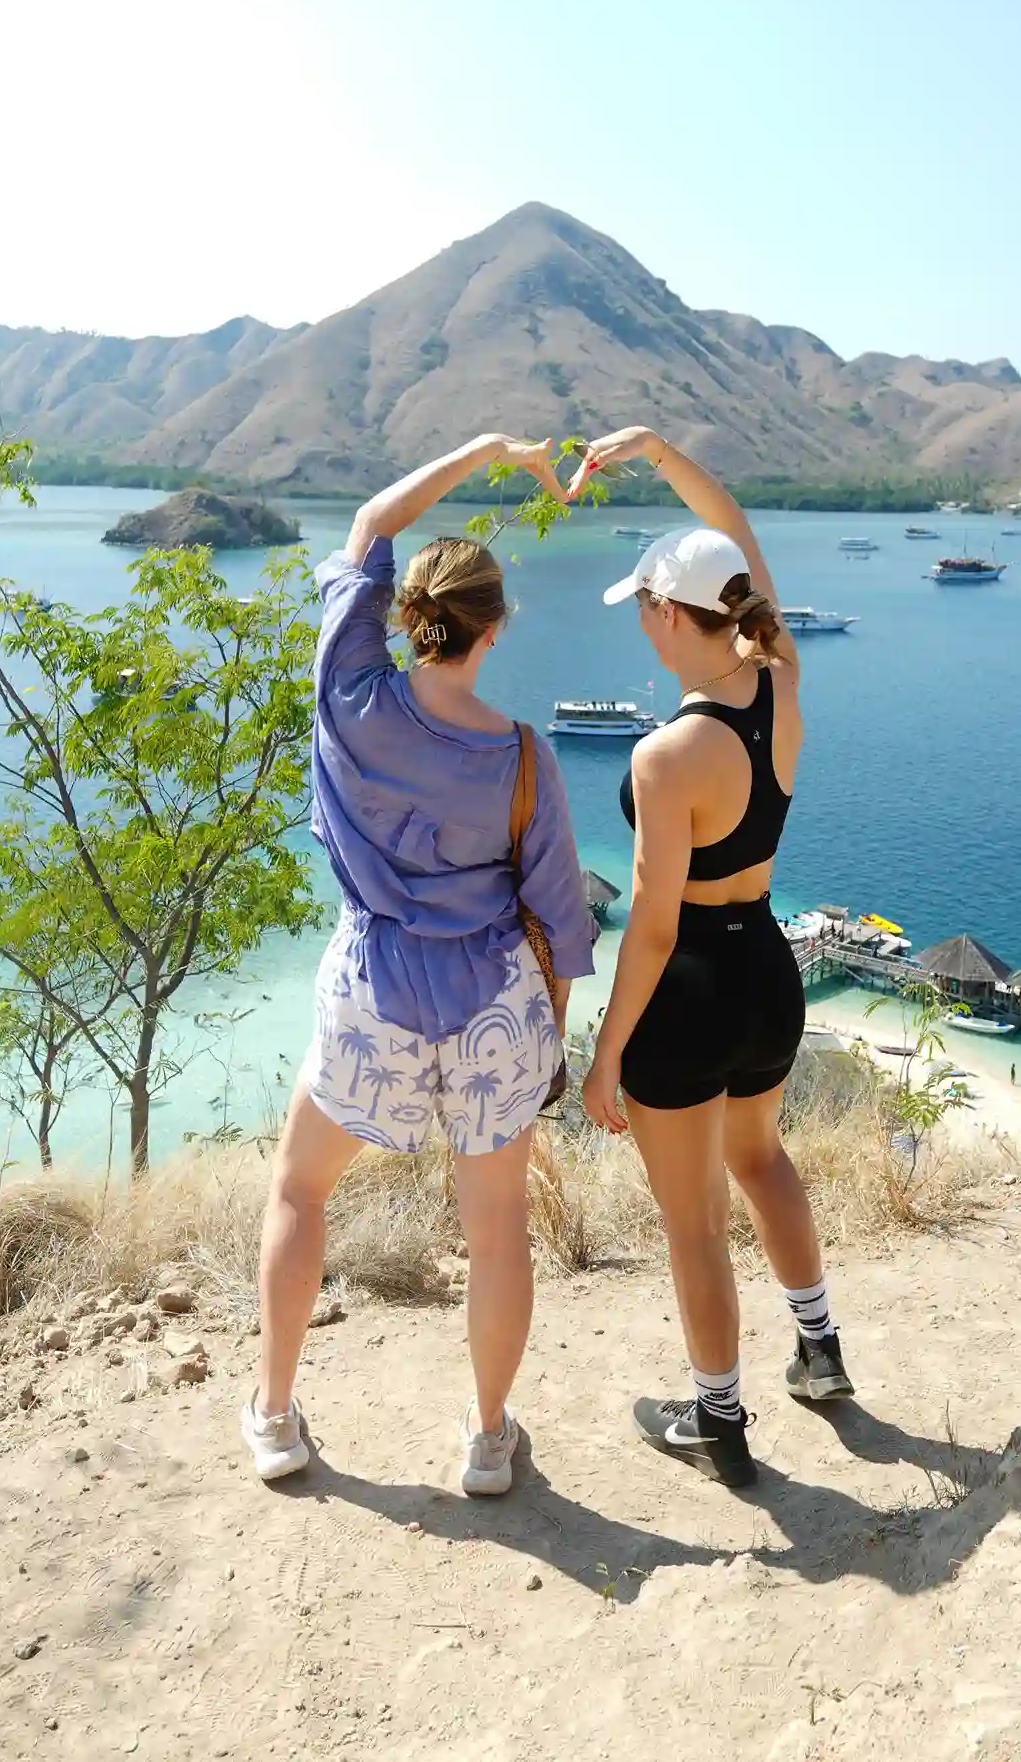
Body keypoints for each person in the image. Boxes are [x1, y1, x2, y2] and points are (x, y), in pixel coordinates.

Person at [243, 434, 594, 1497]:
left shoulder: (351, 697)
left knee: (301, 1191)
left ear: (407, 616)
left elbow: (368, 527)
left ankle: (273, 1418)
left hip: (373, 989)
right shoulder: (523, 756)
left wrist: (488, 450)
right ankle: (488, 1439)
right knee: (495, 1232)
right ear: (495, 628)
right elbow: (560, 921)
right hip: (493, 1002)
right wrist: (547, 1044)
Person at [571, 426, 853, 1490]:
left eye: (642, 605)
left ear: (664, 615)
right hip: (766, 972)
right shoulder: (778, 685)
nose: (638, 621)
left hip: (684, 991)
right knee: (760, 1160)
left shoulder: (664, 755)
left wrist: (605, 1054)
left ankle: (717, 1420)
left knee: (692, 1223)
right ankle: (818, 1353)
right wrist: (660, 452)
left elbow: (647, 925)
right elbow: (736, 536)